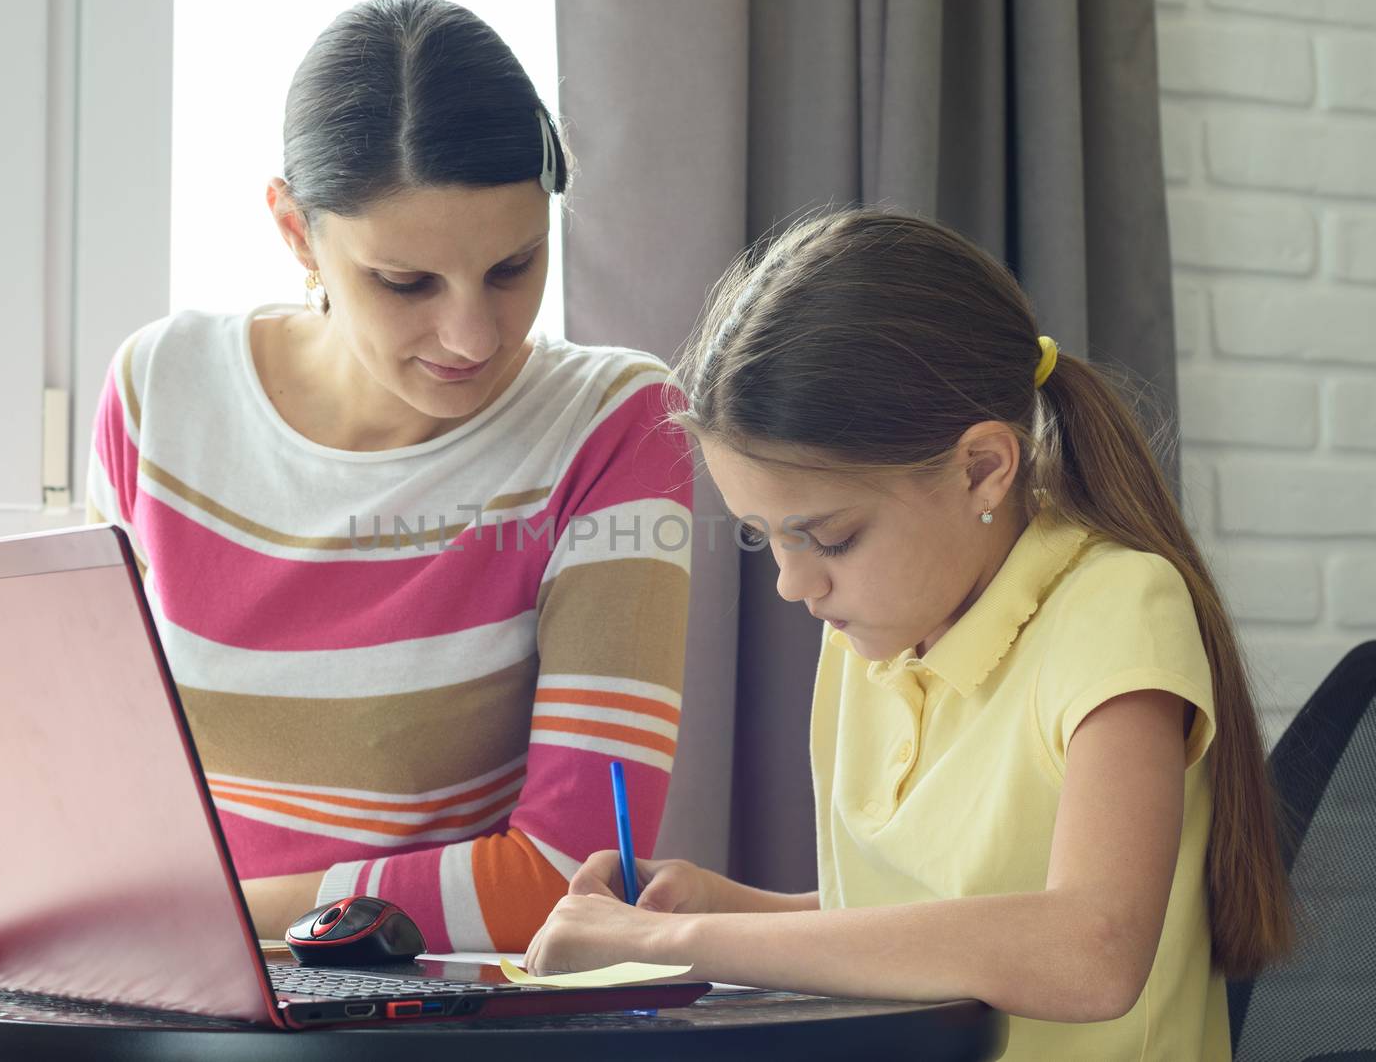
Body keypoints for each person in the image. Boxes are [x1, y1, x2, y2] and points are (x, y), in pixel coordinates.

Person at [524, 209, 1291, 1060]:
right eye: (764, 535)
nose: (793, 582)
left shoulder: (1117, 606)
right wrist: (719, 907)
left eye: (831, 536)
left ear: (981, 469)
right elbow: (923, 926)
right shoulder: (869, 630)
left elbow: (1090, 949)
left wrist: (671, 945)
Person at [85, 0, 692, 950]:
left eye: (513, 266)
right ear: (295, 231)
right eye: (406, 282)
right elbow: (105, 806)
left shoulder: (612, 424)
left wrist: (217, 916)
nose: (474, 334)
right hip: (174, 993)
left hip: (435, 1020)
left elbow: (572, 877)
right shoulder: (160, 394)